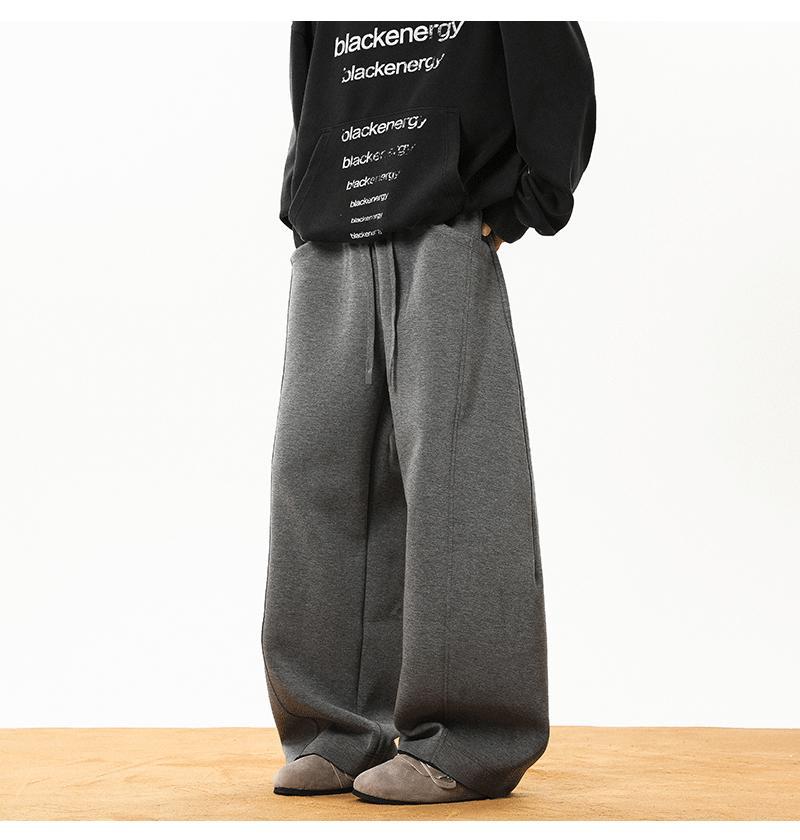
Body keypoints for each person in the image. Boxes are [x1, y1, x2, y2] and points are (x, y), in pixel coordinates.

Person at [261, 20, 596, 805]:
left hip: (445, 219)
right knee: (313, 477)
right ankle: (336, 728)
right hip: (334, 231)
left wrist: (526, 203)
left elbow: (555, 67)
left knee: (458, 480)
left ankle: (470, 741)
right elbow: (310, 71)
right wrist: (304, 192)